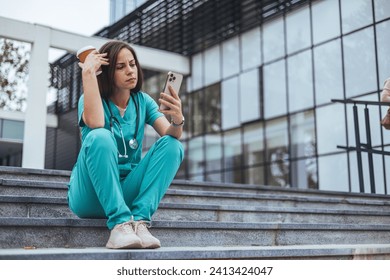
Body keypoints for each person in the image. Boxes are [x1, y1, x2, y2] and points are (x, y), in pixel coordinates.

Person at [67, 40, 184, 249]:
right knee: (100, 136)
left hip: (125, 193)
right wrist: (88, 74)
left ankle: (139, 222)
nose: (130, 71)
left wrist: (178, 119)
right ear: (107, 72)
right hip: (90, 194)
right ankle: (120, 224)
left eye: (132, 64)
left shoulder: (143, 101)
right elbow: (95, 124)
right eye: (121, 67)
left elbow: (170, 133)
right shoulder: (91, 98)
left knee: (173, 145)